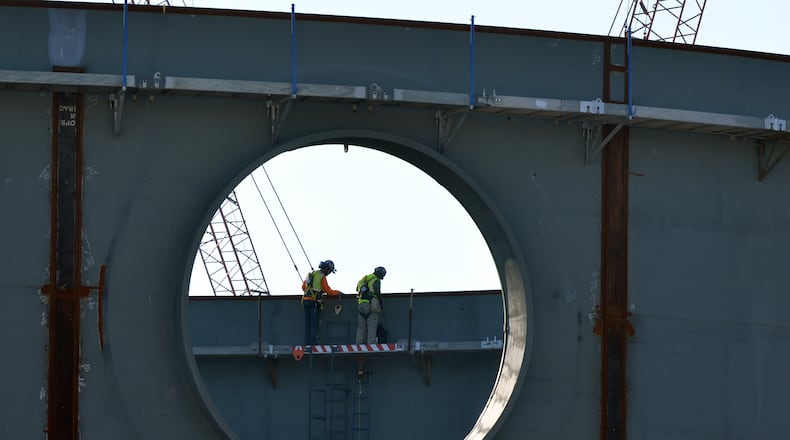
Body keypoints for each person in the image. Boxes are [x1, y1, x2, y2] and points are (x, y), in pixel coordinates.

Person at [301, 260, 342, 346]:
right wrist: (337, 292)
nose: (329, 273)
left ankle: (306, 344)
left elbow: (303, 287)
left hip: (306, 301)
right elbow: (328, 290)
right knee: (314, 323)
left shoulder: (311, 274)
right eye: (330, 271)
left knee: (307, 324)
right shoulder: (322, 277)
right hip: (314, 302)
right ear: (327, 269)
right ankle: (313, 344)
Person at [355, 266, 386, 344]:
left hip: (361, 303)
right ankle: (371, 344)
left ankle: (358, 344)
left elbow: (357, 288)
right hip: (371, 304)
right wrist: (381, 302)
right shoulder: (376, 280)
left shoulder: (365, 279)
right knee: (372, 325)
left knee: (361, 327)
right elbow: (377, 292)